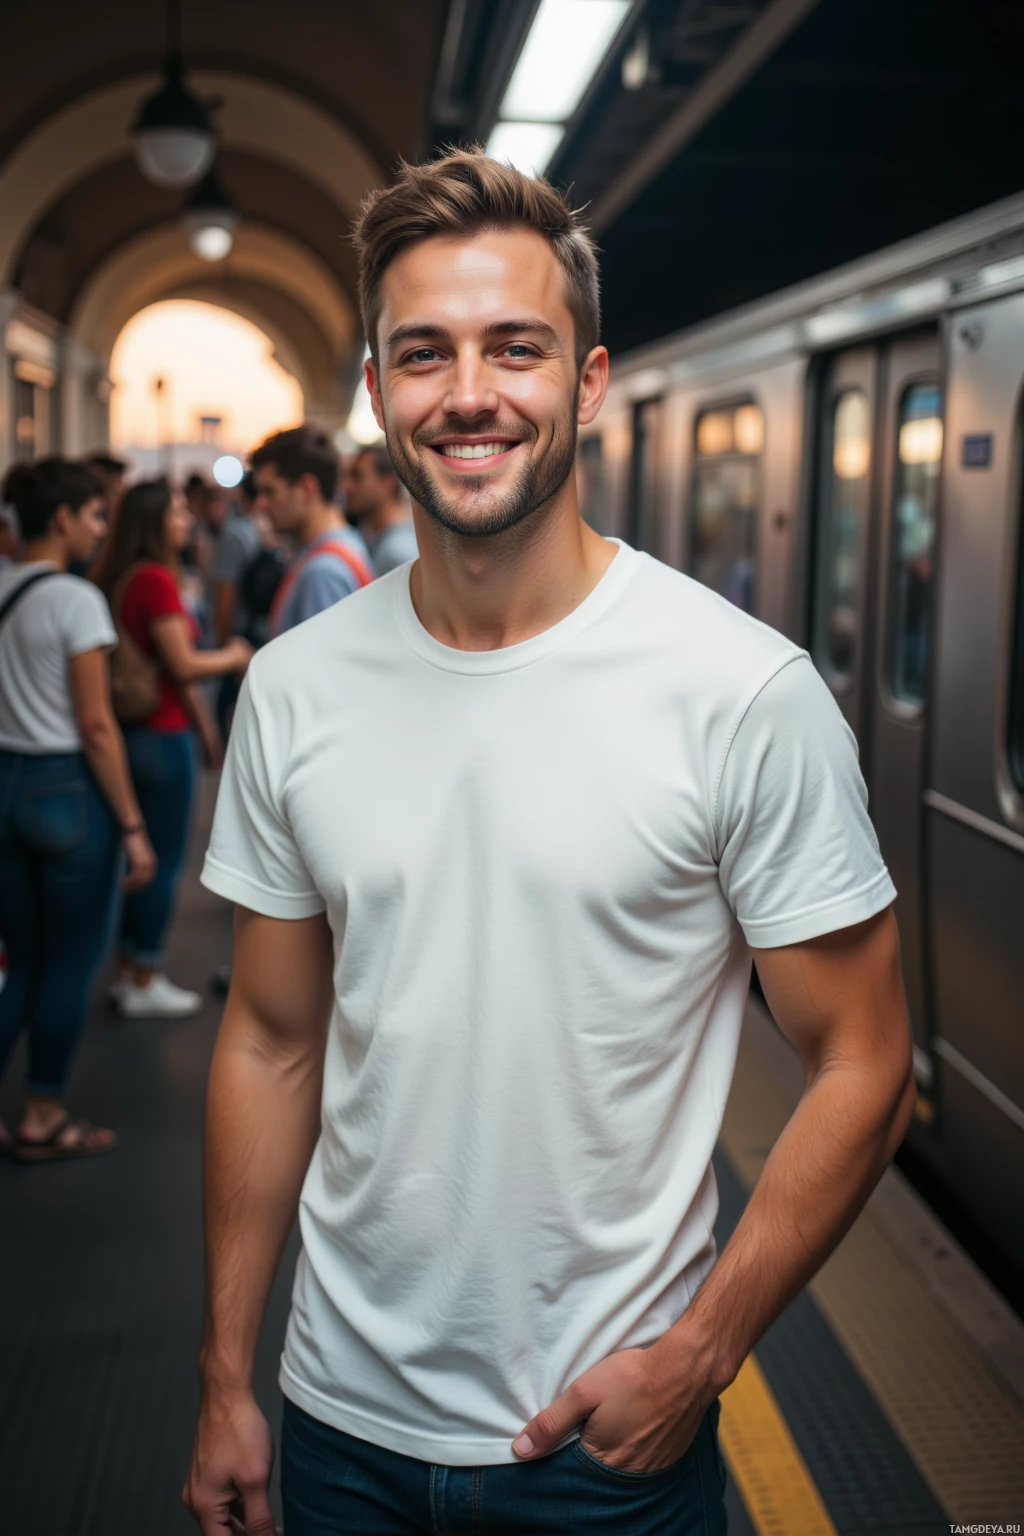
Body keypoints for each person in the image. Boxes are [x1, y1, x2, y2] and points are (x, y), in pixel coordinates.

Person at [185, 150, 915, 1536]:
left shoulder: (740, 693)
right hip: (336, 1424)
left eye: (515, 348)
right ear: (380, 392)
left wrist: (701, 1357)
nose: (468, 394)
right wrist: (227, 1372)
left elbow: (866, 1064)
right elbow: (270, 1039)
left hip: (608, 1452)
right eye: (423, 354)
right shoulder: (295, 686)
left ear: (586, 381)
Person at [0, 459, 156, 1161]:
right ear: (60, 518)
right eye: (94, 515)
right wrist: (132, 825)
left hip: (4, 780)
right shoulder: (76, 601)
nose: (100, 529)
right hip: (64, 790)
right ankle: (42, 1114)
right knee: (68, 964)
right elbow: (96, 726)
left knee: (22, 965)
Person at [93, 480, 252, 1020]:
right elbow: (183, 664)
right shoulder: (157, 580)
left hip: (137, 732)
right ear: (154, 520)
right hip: (161, 736)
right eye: (177, 511)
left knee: (140, 859)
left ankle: (126, 968)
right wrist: (233, 655)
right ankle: (145, 974)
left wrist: (204, 725)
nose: (186, 518)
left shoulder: (121, 576)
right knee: (162, 862)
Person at [249, 425, 374, 638]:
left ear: (307, 489)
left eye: (269, 491)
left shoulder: (322, 573)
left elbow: (323, 669)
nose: (260, 504)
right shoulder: (345, 544)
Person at [211, 471, 262, 736]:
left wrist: (223, 644)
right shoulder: (268, 531)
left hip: (239, 637)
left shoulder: (236, 533)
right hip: (261, 633)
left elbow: (225, 594)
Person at [342, 441, 419, 574]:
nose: (347, 487)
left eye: (358, 477)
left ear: (388, 484)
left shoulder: (396, 552)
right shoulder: (378, 540)